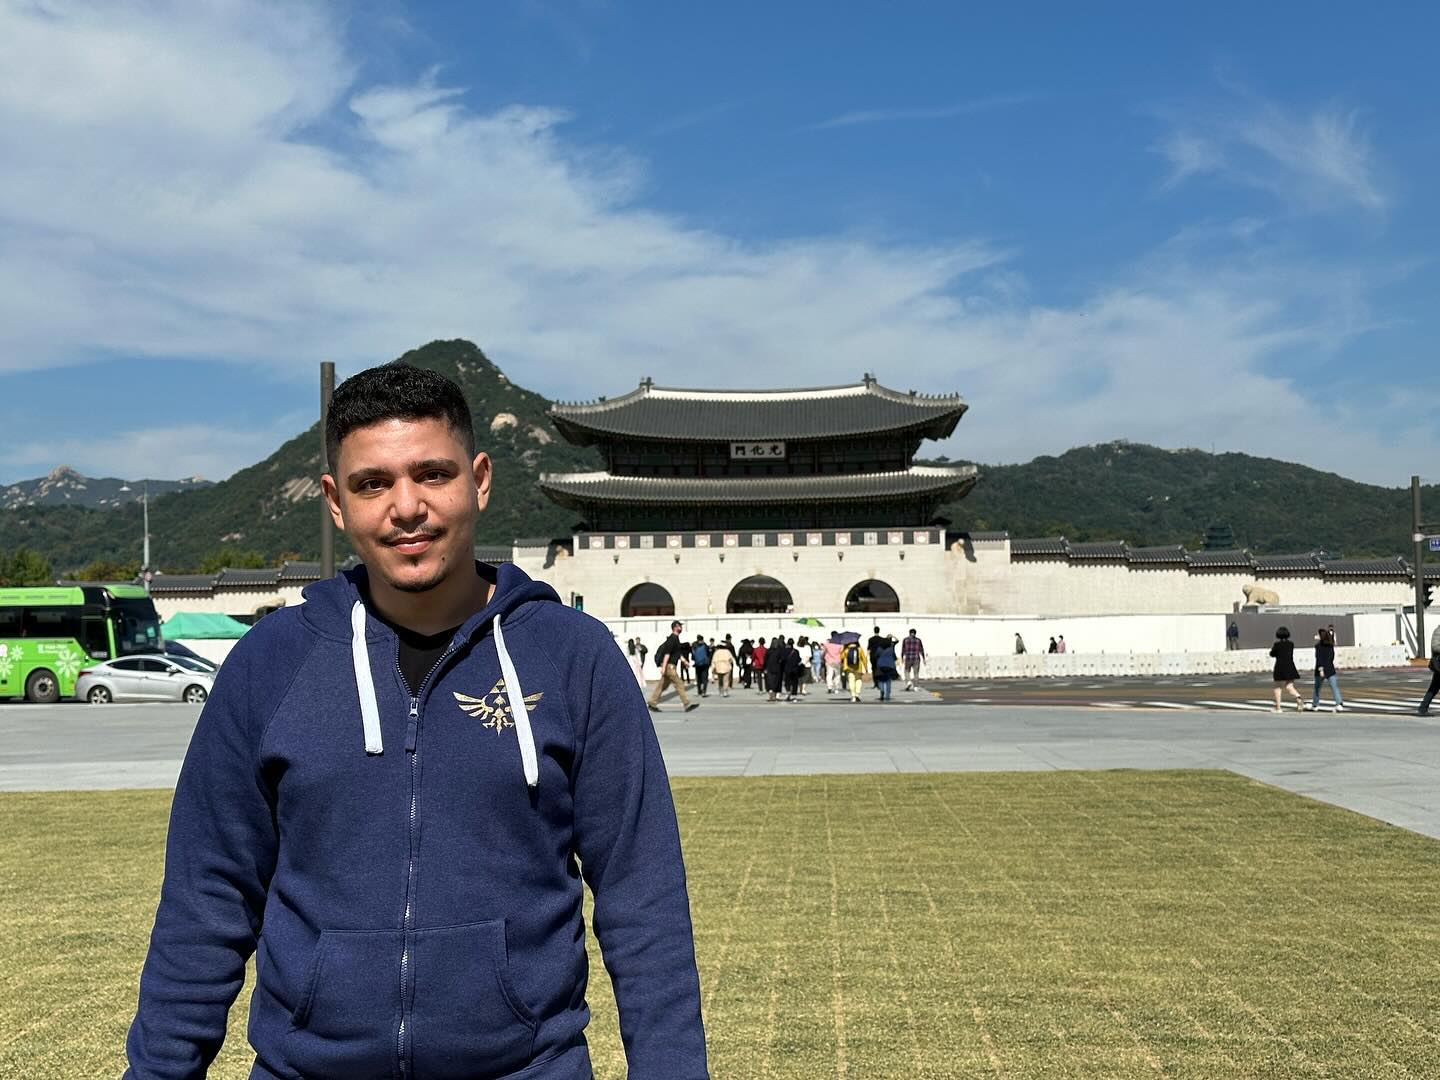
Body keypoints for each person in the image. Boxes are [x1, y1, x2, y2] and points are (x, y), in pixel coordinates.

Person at [122, 361, 707, 1080]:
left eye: (432, 474)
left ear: (480, 479)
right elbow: (203, 905)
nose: (406, 507)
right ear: (336, 503)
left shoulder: (572, 658)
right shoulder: (268, 664)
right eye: (374, 483)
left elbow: (642, 902)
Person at [648, 619, 699, 713]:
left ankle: (652, 702)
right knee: (679, 684)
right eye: (680, 626)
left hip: (669, 666)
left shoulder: (675, 639)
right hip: (670, 667)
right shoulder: (672, 639)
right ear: (675, 627)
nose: (681, 628)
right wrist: (663, 668)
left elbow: (677, 653)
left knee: (662, 686)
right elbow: (667, 654)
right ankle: (687, 704)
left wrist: (684, 661)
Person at [1269, 625, 1303, 712]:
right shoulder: (1291, 644)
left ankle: (1278, 708)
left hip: (1280, 667)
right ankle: (1298, 697)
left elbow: (1272, 654)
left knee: (1277, 687)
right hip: (1290, 666)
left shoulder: (1277, 644)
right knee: (1289, 686)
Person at [1309, 627, 1344, 712]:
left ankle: (1315, 705)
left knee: (1317, 688)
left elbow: (1319, 658)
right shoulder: (1330, 645)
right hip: (1330, 669)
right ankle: (1339, 703)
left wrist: (1321, 669)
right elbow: (1331, 657)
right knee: (1334, 687)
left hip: (1320, 670)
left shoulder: (1318, 646)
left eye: (1318, 634)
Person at [839, 636, 869, 702]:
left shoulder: (846, 649)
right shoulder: (859, 649)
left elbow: (841, 658)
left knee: (851, 680)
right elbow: (864, 659)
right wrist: (866, 668)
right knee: (858, 680)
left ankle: (853, 695)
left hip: (848, 668)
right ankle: (857, 694)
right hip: (858, 668)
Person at [1418, 625, 1440, 716]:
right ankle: (1423, 708)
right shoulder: (1438, 631)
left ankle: (1423, 708)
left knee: (1434, 687)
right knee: (1434, 687)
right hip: (1439, 663)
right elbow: (1435, 646)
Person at [874, 636, 899, 701]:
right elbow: (894, 656)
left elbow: (875, 656)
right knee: (888, 681)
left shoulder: (879, 649)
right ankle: (887, 695)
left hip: (880, 665)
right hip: (889, 666)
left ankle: (882, 690)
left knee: (881, 680)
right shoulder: (890, 649)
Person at [763, 635, 786, 701]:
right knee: (776, 682)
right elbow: (782, 659)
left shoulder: (768, 651)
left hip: (769, 668)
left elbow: (765, 660)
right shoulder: (779, 651)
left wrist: (764, 668)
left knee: (770, 682)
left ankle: (771, 695)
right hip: (777, 669)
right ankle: (774, 695)